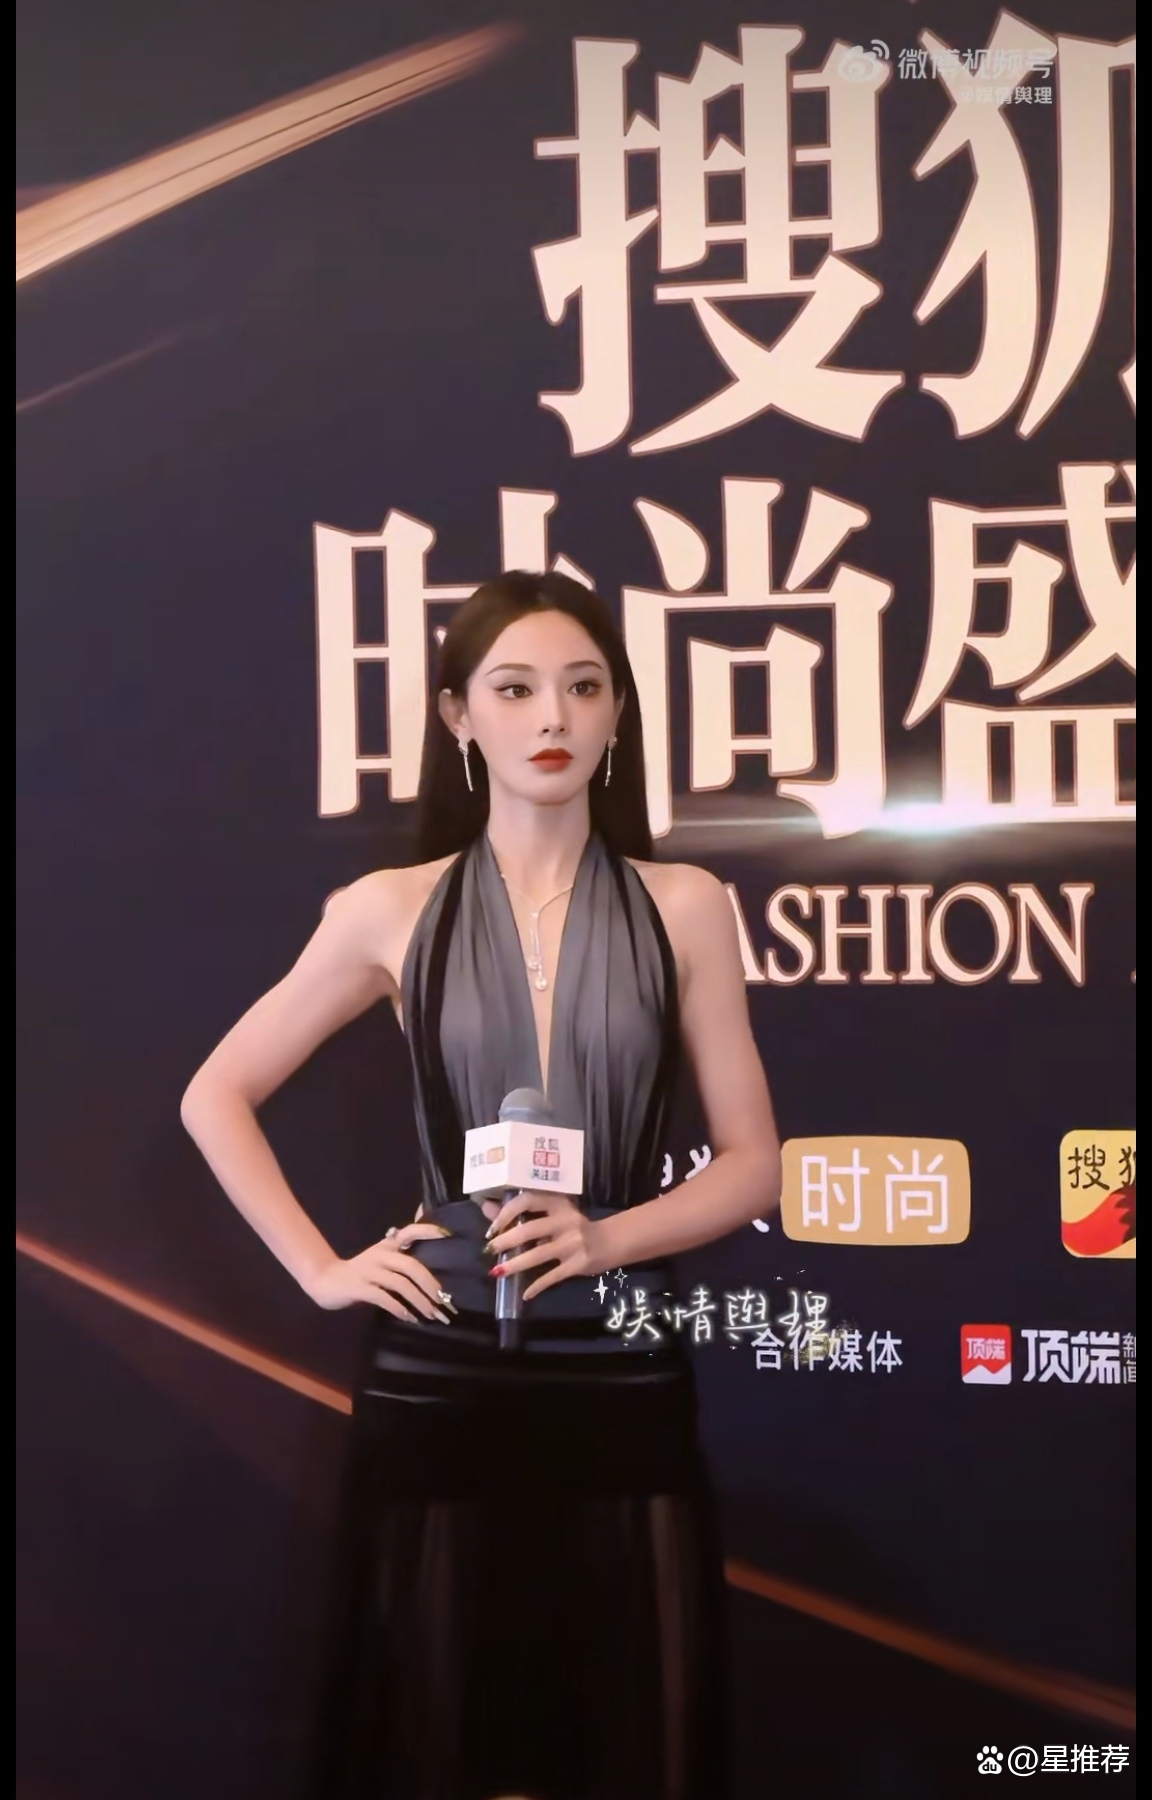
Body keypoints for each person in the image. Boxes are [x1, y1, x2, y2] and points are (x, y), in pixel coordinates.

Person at [180, 571, 781, 1800]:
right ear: (460, 715)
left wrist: (605, 1240)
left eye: (583, 687)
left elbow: (754, 1163)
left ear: (617, 714)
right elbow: (216, 1094)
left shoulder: (685, 906)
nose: (552, 715)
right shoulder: (388, 910)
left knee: (630, 1729)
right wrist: (324, 1269)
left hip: (619, 1359)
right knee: (441, 1728)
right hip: (440, 1359)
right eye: (514, 689)